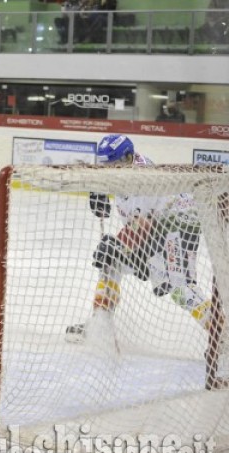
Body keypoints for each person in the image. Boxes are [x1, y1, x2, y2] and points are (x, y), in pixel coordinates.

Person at [65, 134, 210, 348]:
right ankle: (100, 324)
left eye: (113, 165)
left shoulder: (143, 178)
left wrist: (117, 244)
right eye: (105, 165)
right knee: (111, 262)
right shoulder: (125, 172)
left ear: (128, 158)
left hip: (178, 230)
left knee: (182, 290)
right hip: (155, 232)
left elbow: (142, 226)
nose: (108, 170)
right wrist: (100, 191)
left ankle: (222, 332)